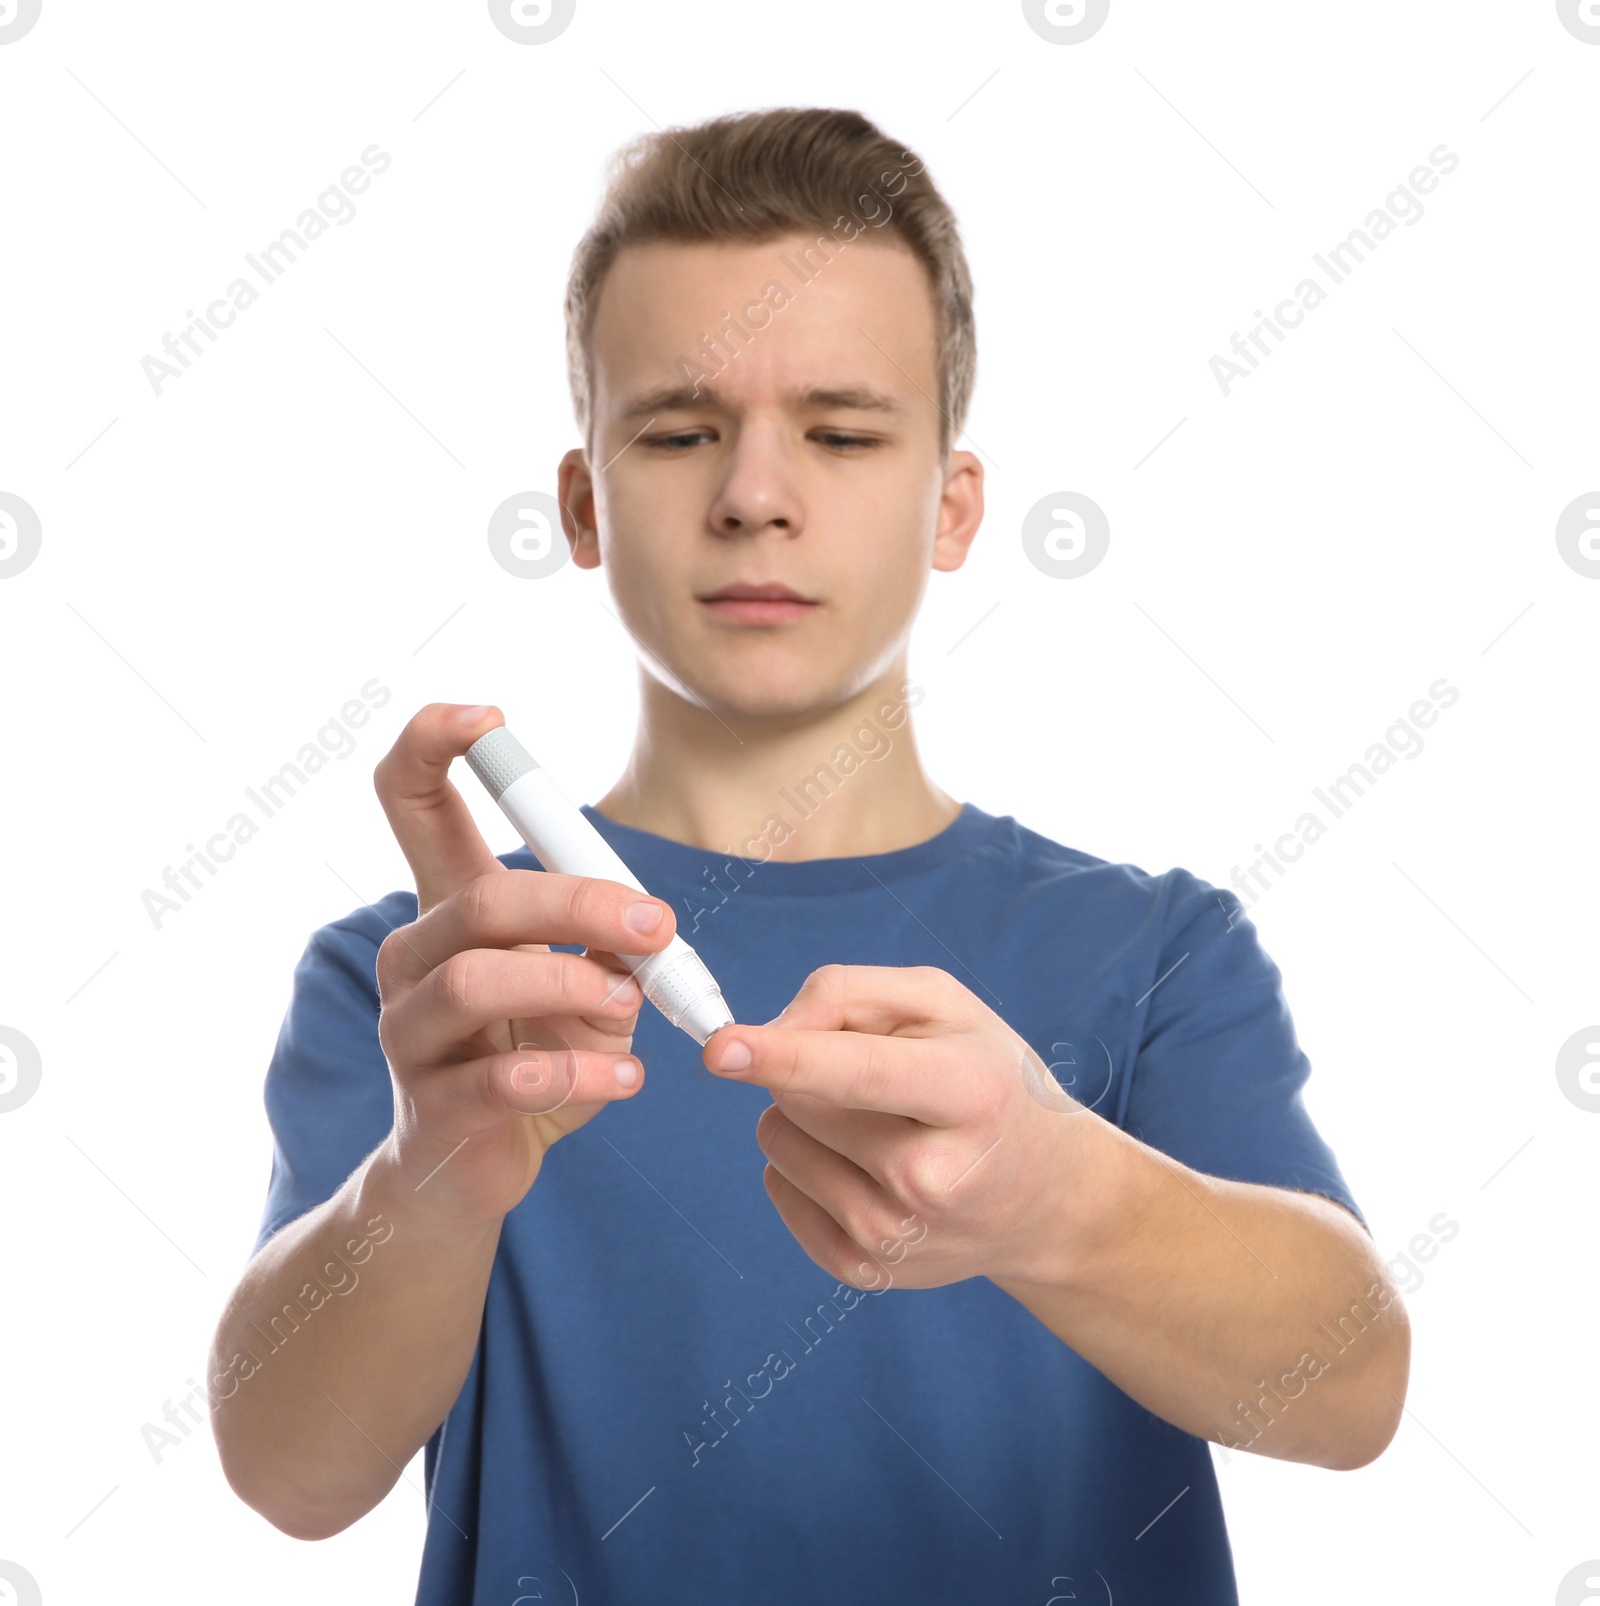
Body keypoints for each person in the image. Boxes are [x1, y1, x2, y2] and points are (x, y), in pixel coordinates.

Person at [208, 104, 1409, 1604]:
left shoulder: (1153, 949)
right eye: (677, 428)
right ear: (583, 502)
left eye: (841, 432)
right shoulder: (444, 981)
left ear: (951, 504)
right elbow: (287, 1473)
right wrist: (431, 1177)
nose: (755, 494)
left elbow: (1352, 1390)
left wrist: (1050, 1197)